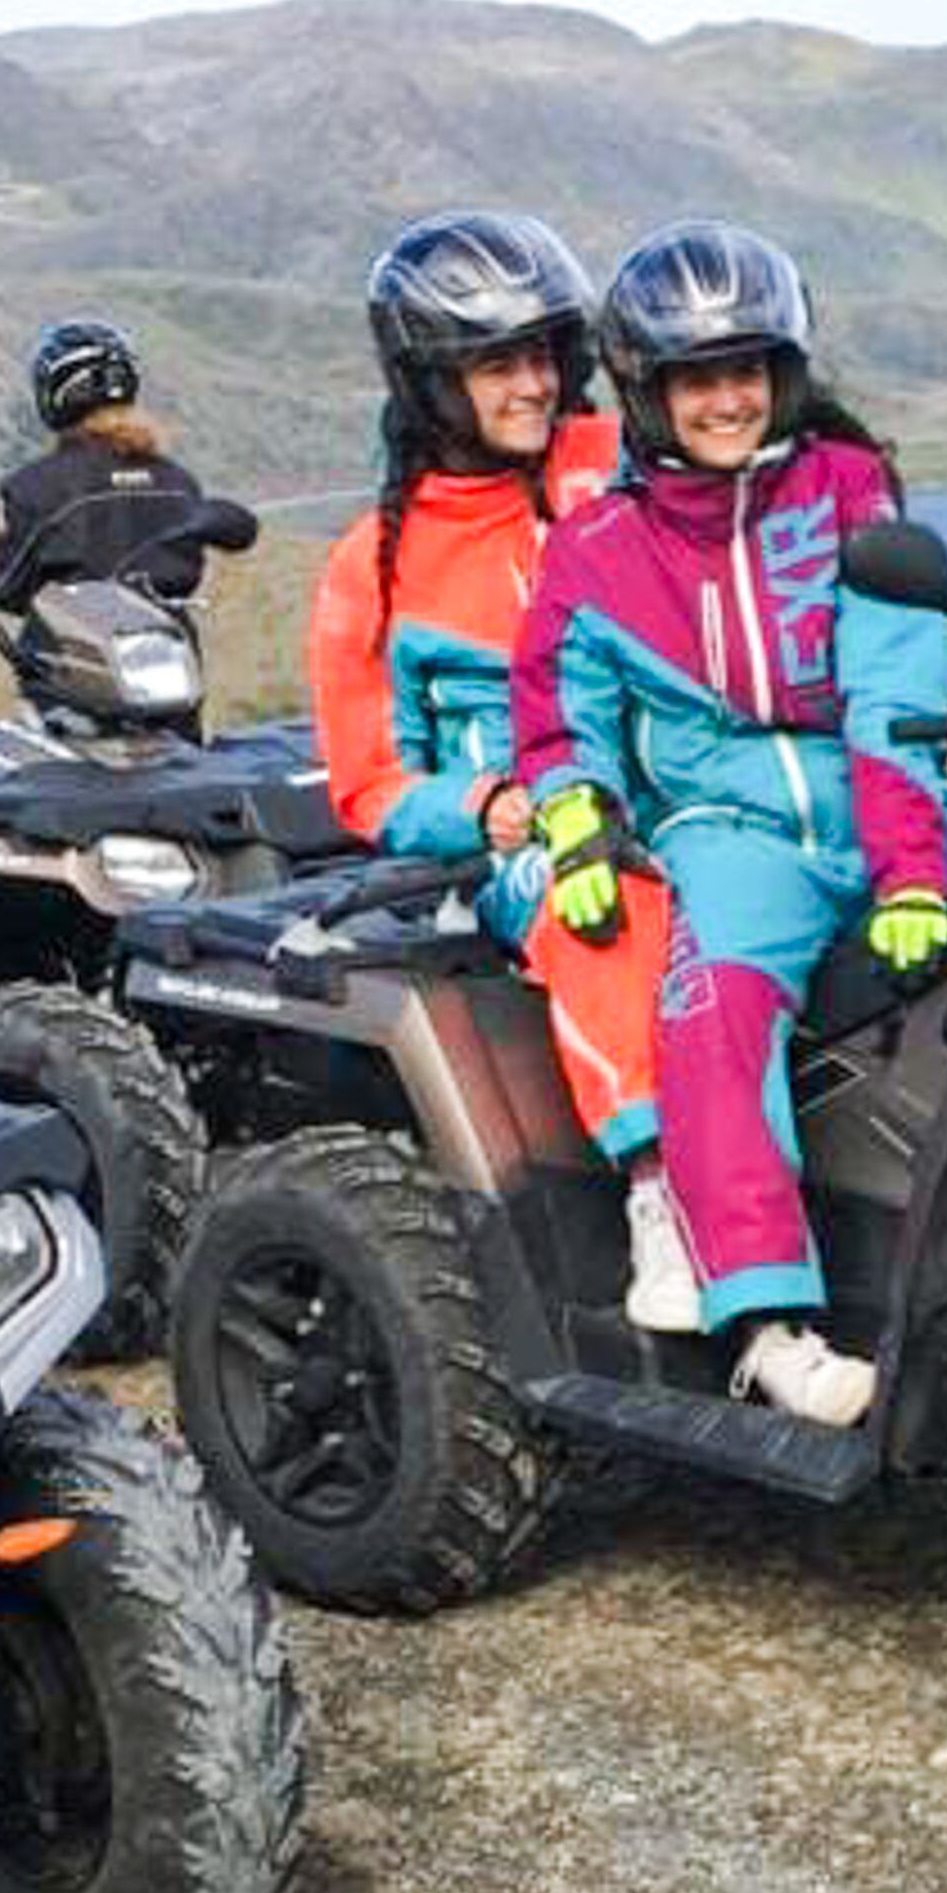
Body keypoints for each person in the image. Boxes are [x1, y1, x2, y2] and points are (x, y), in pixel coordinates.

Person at [514, 220, 947, 1426]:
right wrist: (578, 824)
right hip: (729, 826)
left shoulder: (848, 491)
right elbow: (560, 720)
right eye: (700, 377)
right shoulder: (598, 549)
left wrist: (913, 870)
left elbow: (896, 697)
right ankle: (765, 1322)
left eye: (750, 369)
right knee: (711, 1012)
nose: (730, 397)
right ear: (649, 393)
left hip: (889, 795)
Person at [304, 209, 692, 1332]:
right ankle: (662, 1197)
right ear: (433, 382)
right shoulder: (372, 564)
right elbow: (368, 780)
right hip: (525, 843)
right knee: (610, 910)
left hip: (684, 782)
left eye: (543, 354)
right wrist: (492, 808)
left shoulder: (613, 463)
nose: (532, 383)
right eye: (496, 362)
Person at [0, 319, 217, 615]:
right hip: (167, 653)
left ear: (57, 390)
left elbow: (1, 588)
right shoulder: (180, 482)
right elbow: (189, 575)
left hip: (76, 654)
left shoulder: (33, 486)